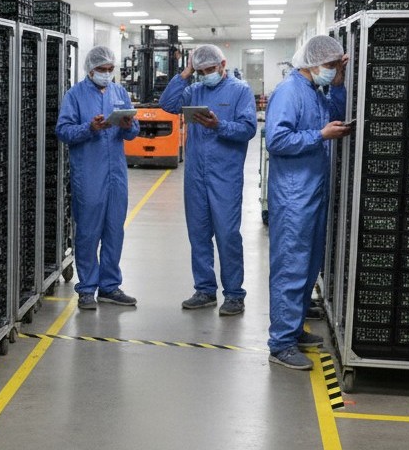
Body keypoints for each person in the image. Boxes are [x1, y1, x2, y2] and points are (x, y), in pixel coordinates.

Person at [264, 35, 351, 370]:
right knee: (290, 267)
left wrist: (338, 83)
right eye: (329, 65)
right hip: (293, 196)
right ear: (312, 62)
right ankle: (281, 343)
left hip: (311, 191)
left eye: (335, 66)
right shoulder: (289, 92)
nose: (331, 70)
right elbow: (277, 140)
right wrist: (319, 135)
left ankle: (294, 328)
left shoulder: (315, 91)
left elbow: (334, 116)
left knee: (308, 264)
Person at [160, 44, 257, 316]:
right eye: (201, 71)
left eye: (210, 69)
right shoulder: (194, 90)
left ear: (223, 64)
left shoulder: (240, 91)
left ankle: (234, 294)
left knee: (227, 235)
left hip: (225, 175)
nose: (206, 75)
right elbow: (167, 104)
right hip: (195, 176)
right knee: (199, 234)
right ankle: (204, 290)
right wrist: (186, 72)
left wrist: (219, 125)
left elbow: (248, 128)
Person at [56, 45, 140, 309]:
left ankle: (110, 286)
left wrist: (128, 125)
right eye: (101, 69)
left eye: (110, 69)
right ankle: (86, 289)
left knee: (114, 230)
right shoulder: (75, 95)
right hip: (89, 174)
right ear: (90, 70)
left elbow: (133, 131)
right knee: (88, 232)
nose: (106, 73)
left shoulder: (119, 92)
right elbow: (63, 131)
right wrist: (89, 128)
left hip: (117, 175)